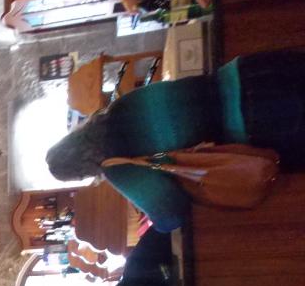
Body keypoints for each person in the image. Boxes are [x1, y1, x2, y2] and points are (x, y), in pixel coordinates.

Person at [46, 51, 305, 231]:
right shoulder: (119, 107)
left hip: (258, 122)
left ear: (81, 172)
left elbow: (171, 214)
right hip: (250, 71)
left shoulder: (117, 167)